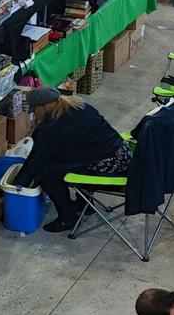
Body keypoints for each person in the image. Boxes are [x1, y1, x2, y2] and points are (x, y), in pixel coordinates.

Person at [15, 87, 129, 234]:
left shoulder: (54, 126)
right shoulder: (78, 105)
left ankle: (67, 218)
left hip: (110, 164)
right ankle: (85, 204)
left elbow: (37, 160)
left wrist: (17, 187)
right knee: (60, 161)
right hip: (121, 155)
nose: (35, 114)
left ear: (44, 106)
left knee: (48, 175)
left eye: (35, 110)